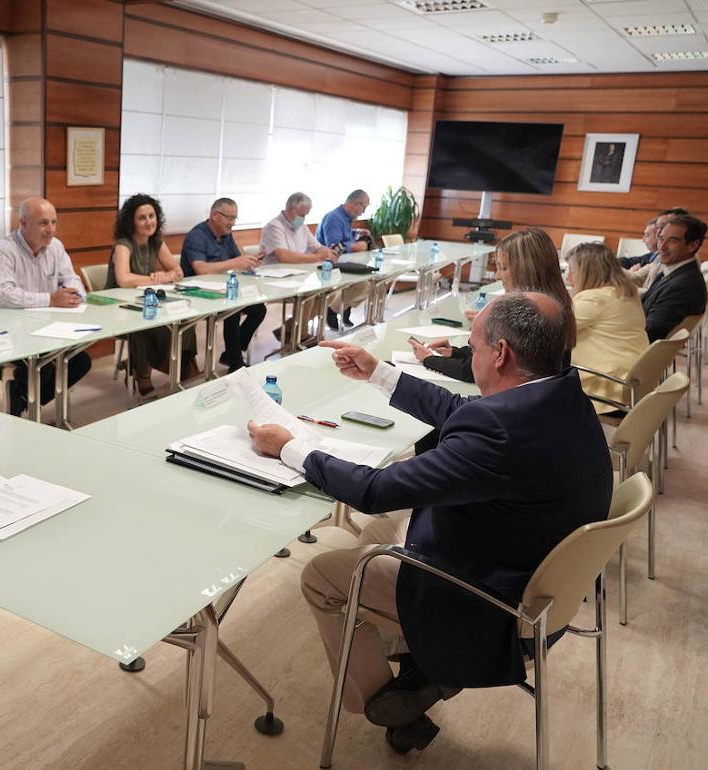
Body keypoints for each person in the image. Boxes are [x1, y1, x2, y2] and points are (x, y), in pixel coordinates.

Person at [246, 293, 611, 755]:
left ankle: (390, 701)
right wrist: (376, 371)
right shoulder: (557, 395)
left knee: (322, 575)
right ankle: (418, 659)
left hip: (489, 603)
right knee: (376, 530)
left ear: (501, 354)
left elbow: (374, 488)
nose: (468, 359)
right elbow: (463, 411)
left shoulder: (500, 433)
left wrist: (289, 448)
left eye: (473, 349)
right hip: (531, 572)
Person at [410, 227, 576, 383]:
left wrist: (429, 359)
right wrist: (455, 352)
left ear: (525, 271)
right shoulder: (557, 306)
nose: (497, 276)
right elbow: (492, 355)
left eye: (503, 268)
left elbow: (473, 371)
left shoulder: (528, 317)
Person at [0, 197, 92, 416]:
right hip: (7, 331)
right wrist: (50, 299)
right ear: (23, 223)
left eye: (54, 222)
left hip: (47, 328)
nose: (50, 229)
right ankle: (26, 402)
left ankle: (22, 398)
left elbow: (71, 278)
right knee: (41, 361)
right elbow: (1, 295)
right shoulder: (4, 250)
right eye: (44, 223)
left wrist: (74, 293)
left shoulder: (56, 247)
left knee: (80, 361)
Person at [105, 193, 200, 394]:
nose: (149, 222)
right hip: (116, 306)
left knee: (186, 321)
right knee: (147, 324)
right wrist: (158, 278)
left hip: (142, 299)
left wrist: (168, 275)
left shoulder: (156, 241)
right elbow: (123, 280)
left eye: (152, 216)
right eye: (142, 218)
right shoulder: (123, 244)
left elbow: (178, 271)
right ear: (131, 221)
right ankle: (143, 375)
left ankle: (181, 367)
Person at [180, 197, 266, 371]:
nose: (232, 223)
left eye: (235, 218)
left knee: (259, 309)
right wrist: (236, 263)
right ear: (215, 215)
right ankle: (235, 364)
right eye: (229, 218)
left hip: (223, 290)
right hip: (196, 293)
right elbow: (201, 269)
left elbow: (237, 260)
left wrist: (250, 261)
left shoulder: (227, 235)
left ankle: (231, 353)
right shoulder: (196, 236)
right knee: (232, 310)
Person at [565, 242, 649, 412]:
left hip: (607, 387)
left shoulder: (595, 299)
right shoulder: (624, 292)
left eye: (572, 271)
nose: (568, 278)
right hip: (630, 381)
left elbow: (550, 330)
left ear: (587, 273)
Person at [260, 192, 334, 340]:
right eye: (301, 215)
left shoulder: (302, 227)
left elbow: (317, 246)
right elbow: (284, 256)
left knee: (329, 292)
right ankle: (301, 335)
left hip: (299, 276)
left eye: (305, 215)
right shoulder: (274, 226)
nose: (303, 219)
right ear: (289, 209)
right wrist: (316, 257)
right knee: (310, 293)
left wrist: (326, 252)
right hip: (274, 279)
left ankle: (290, 327)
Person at [642, 214, 708, 342]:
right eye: (661, 239)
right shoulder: (674, 271)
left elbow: (651, 334)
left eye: (672, 241)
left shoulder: (683, 286)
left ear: (693, 245)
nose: (661, 247)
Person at [315, 189, 374, 328]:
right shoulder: (334, 218)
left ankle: (342, 308)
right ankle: (333, 309)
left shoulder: (346, 218)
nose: (363, 212)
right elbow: (334, 248)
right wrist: (355, 246)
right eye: (363, 207)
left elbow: (344, 237)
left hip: (345, 262)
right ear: (355, 203)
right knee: (363, 285)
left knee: (368, 284)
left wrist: (357, 233)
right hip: (328, 265)